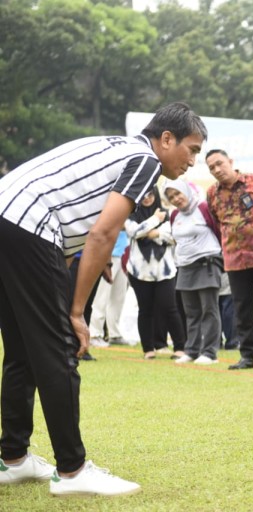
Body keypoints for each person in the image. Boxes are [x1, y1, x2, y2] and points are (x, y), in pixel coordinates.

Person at [0, 101, 206, 495]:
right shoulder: (145, 161)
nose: (192, 161)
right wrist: (76, 313)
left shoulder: (116, 146)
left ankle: (12, 458)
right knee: (59, 347)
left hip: (7, 217)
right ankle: (73, 471)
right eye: (192, 149)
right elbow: (102, 234)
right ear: (166, 139)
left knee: (22, 349)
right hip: (29, 224)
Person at [204, 149, 253, 371]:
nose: (217, 169)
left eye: (219, 164)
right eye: (211, 167)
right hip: (234, 258)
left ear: (231, 162)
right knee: (241, 308)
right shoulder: (212, 193)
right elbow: (217, 223)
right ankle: (247, 355)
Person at [165, 179, 223, 365]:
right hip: (185, 266)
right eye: (171, 196)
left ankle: (210, 352)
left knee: (209, 310)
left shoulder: (203, 208)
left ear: (186, 191)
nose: (176, 198)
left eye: (178, 193)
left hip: (207, 263)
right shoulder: (175, 215)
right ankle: (192, 350)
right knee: (191, 312)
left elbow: (218, 231)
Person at [124, 186, 186, 360]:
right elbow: (134, 232)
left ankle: (180, 347)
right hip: (139, 271)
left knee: (170, 308)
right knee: (145, 310)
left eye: (151, 194)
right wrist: (154, 221)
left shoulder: (167, 214)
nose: (147, 198)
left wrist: (152, 233)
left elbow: (174, 237)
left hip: (164, 271)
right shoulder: (131, 215)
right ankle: (148, 349)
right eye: (143, 195)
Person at [88, 230, 129, 347]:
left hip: (122, 254)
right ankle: (94, 334)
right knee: (101, 297)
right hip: (107, 256)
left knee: (118, 298)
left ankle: (114, 334)